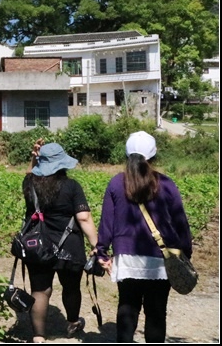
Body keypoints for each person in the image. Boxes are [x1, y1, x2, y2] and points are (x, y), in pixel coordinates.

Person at [95, 131, 192, 343]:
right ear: (153, 156)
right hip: (160, 258)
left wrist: (102, 252)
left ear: (127, 155)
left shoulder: (115, 183)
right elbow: (180, 223)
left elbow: (106, 223)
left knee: (127, 308)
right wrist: (186, 252)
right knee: (156, 312)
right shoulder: (166, 184)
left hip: (127, 259)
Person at [22, 142, 99, 343]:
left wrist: (34, 160)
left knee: (40, 290)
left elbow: (29, 175)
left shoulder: (30, 185)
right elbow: (83, 218)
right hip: (69, 246)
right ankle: (72, 323)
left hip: (37, 246)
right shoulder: (72, 186)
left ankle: (39, 336)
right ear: (63, 164)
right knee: (71, 287)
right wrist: (96, 245)